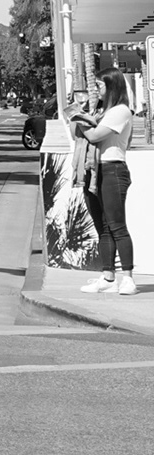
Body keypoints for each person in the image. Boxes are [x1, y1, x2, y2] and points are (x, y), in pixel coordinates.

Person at [69, 70, 137, 296]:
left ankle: (128, 278)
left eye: (100, 85)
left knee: (117, 225)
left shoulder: (121, 111)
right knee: (103, 227)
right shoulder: (100, 111)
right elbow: (76, 133)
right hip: (93, 169)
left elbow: (95, 135)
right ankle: (108, 277)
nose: (96, 89)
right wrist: (79, 114)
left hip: (112, 169)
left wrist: (80, 118)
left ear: (112, 86)